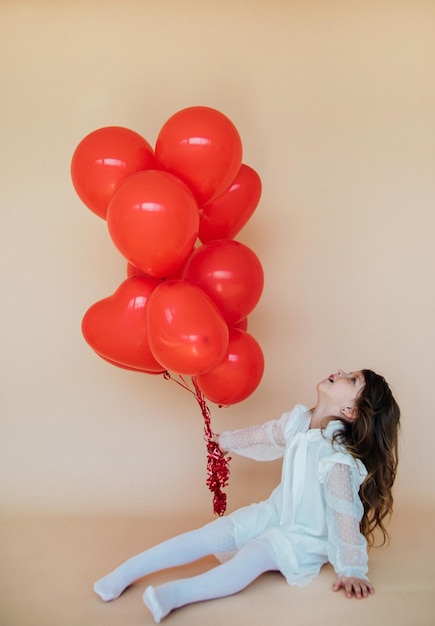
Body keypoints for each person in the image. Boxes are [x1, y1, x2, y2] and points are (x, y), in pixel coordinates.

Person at [94, 369, 400, 623]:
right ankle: (125, 573)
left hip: (305, 535)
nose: (342, 372)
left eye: (353, 380)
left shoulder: (337, 458)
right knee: (214, 533)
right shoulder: (297, 423)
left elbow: (343, 511)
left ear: (351, 410)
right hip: (275, 513)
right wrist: (226, 442)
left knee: (255, 553)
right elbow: (264, 435)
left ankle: (174, 595)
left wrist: (351, 569)